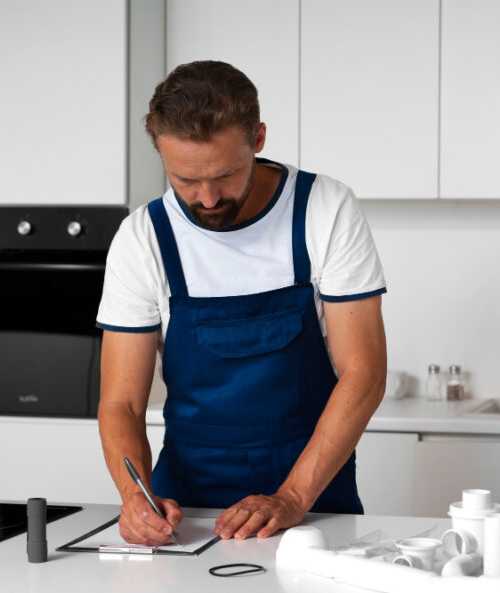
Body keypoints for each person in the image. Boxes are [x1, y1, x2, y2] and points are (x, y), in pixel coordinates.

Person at [95, 60, 387, 546]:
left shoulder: (323, 208)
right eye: (184, 179)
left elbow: (365, 373)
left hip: (312, 495)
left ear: (259, 138)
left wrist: (292, 497)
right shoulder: (143, 237)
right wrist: (135, 497)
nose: (207, 198)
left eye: (226, 175)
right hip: (184, 508)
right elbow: (121, 402)